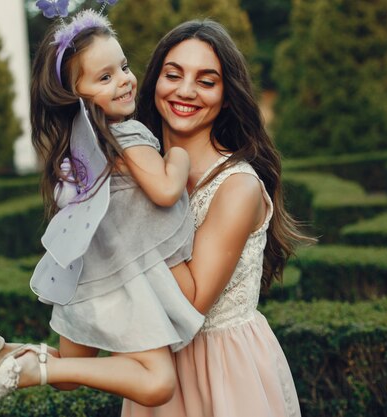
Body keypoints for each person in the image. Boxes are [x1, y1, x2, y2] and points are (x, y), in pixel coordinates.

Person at [0, 9, 204, 406]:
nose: (125, 81)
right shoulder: (124, 136)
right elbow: (165, 191)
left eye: (124, 67)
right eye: (105, 77)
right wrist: (178, 156)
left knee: (65, 376)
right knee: (157, 383)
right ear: (75, 95)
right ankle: (29, 366)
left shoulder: (81, 152)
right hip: (122, 279)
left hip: (88, 279)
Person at [120, 19, 312, 417]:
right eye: (173, 75)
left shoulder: (237, 187)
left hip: (226, 372)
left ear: (226, 96)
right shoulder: (137, 171)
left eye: (206, 81)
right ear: (154, 82)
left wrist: (134, 204)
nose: (185, 91)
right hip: (155, 371)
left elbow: (189, 304)